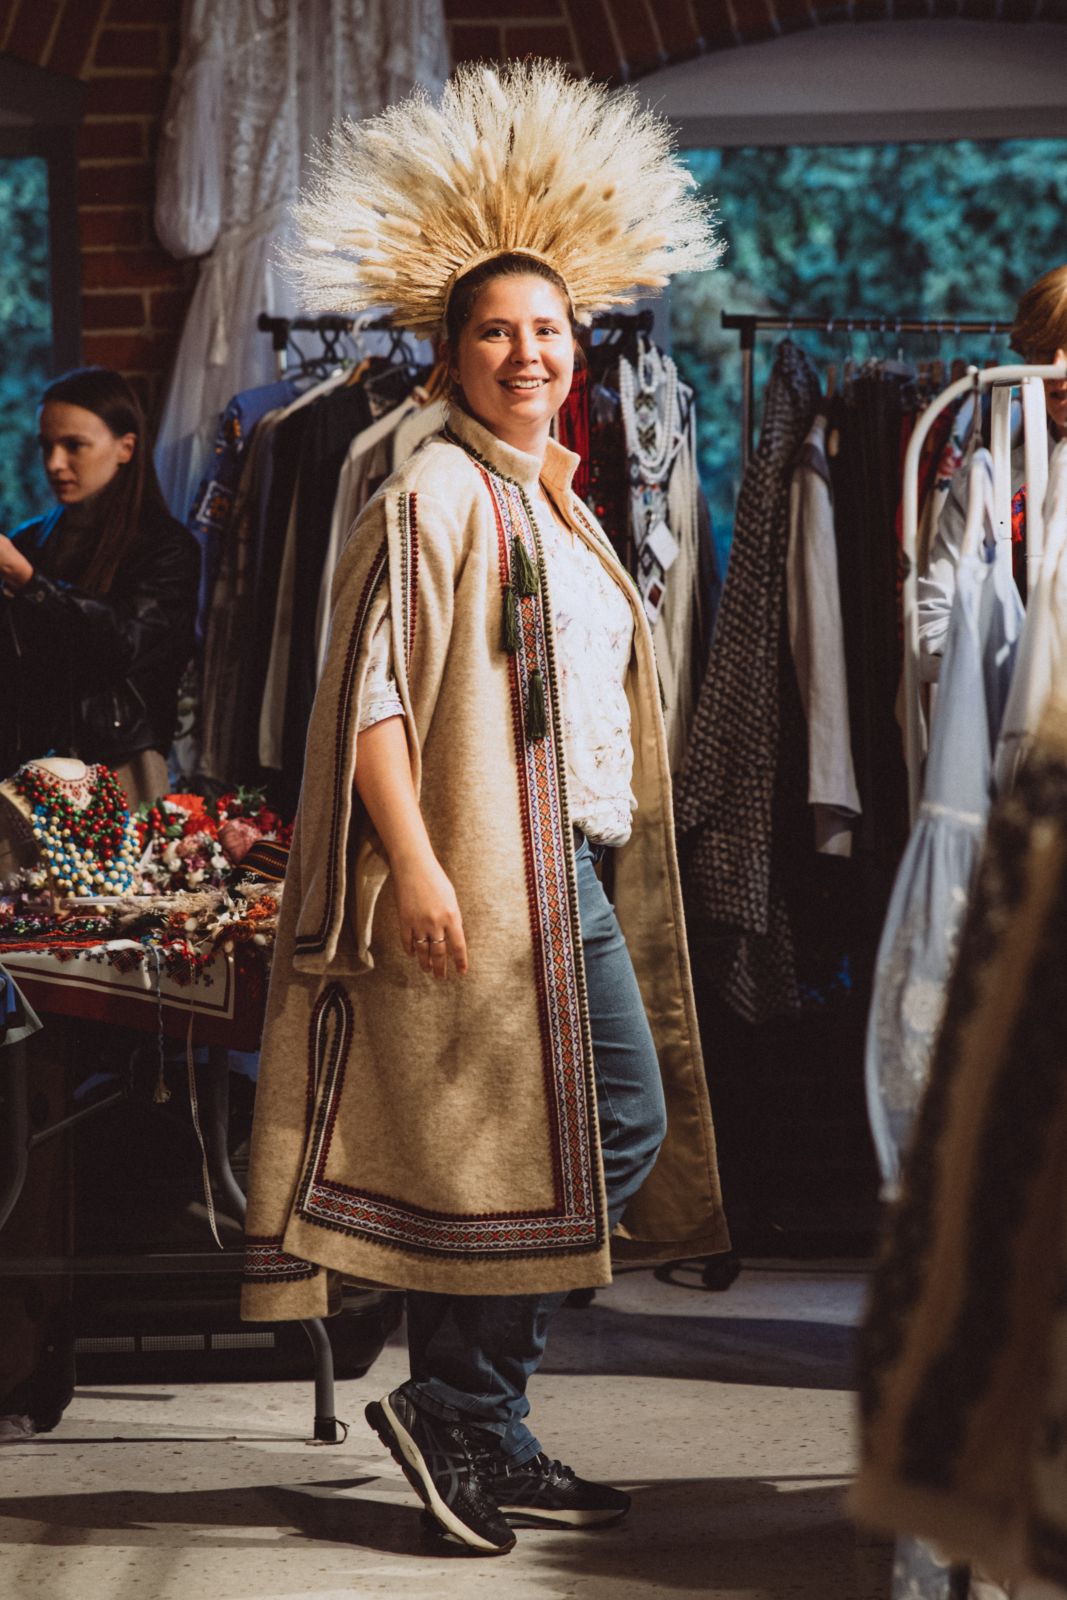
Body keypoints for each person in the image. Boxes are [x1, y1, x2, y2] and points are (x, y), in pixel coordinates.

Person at [240, 59, 728, 1558]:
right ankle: (462, 1405)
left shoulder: (549, 495)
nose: (528, 352)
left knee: (571, 1145)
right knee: (582, 1134)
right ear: (445, 353)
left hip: (564, 865)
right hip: (488, 876)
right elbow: (369, 696)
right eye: (496, 332)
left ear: (580, 345)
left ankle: (475, 1413)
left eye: (548, 329)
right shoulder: (429, 492)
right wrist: (416, 863)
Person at [0, 367, 199, 805]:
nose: (55, 463)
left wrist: (31, 585)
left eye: (74, 445)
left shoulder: (166, 547)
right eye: (46, 446)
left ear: (126, 447)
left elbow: (123, 643)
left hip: (117, 766)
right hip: (27, 769)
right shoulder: (30, 541)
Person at [918, 263, 1067, 675]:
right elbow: (933, 622)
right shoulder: (991, 480)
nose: (1058, 367)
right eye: (1044, 349)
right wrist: (1009, 671)